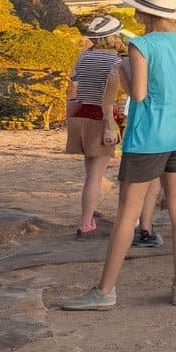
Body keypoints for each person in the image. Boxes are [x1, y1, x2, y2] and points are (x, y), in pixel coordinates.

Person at [60, 0, 176, 310]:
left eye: (139, 9)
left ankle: (105, 291)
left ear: (147, 13)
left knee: (128, 213)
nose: (136, 14)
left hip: (149, 135)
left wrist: (122, 74)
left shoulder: (141, 45)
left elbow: (137, 95)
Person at [65, 16, 125, 240]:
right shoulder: (115, 63)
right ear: (110, 37)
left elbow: (75, 87)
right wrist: (111, 125)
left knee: (91, 173)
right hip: (100, 117)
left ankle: (88, 217)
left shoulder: (82, 57)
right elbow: (109, 97)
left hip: (79, 114)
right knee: (95, 176)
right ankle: (85, 224)